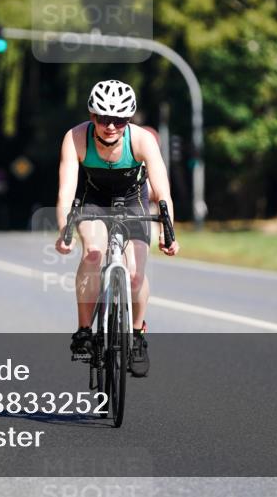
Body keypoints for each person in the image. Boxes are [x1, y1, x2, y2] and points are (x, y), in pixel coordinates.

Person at [55, 80, 179, 377]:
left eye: (120, 120)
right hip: (92, 200)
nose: (111, 126)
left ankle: (136, 336)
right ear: (92, 115)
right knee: (94, 253)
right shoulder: (75, 138)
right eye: (103, 118)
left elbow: (162, 192)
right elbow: (66, 191)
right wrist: (64, 231)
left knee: (135, 275)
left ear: (130, 118)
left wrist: (168, 231)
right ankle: (84, 331)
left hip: (133, 200)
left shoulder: (141, 140)